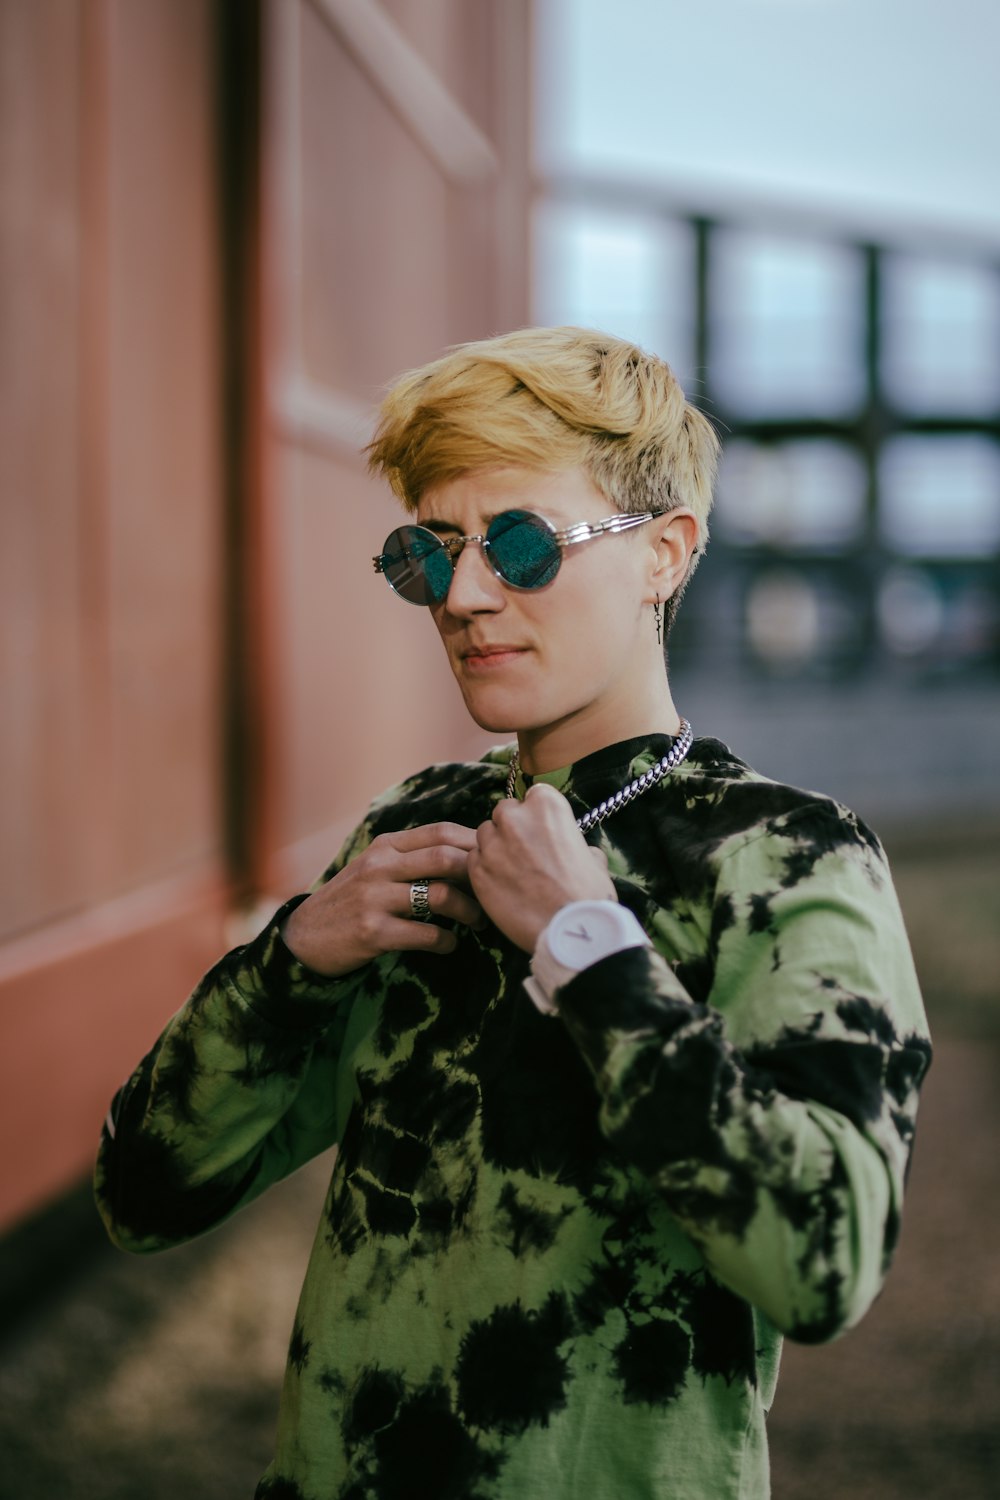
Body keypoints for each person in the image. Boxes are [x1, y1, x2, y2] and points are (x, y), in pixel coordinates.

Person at [95, 326, 931, 1500]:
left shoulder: (787, 857)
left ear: (663, 554)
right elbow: (142, 1196)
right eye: (429, 554)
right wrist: (289, 960)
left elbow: (824, 1257)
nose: (465, 596)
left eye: (524, 544)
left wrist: (591, 952)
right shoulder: (414, 834)